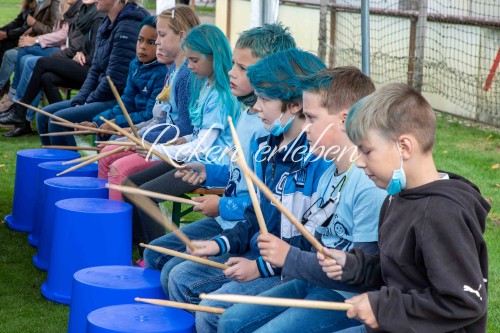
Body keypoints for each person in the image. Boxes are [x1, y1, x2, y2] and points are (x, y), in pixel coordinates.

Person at [167, 48, 328, 333]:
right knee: (179, 274)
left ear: (295, 104)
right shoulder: (268, 149)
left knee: (214, 311)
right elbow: (257, 217)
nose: (255, 108)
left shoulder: (319, 162)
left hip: (291, 270)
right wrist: (221, 244)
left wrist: (259, 269)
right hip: (262, 255)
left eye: (265, 99)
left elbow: (310, 246)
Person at [217, 67, 387, 333]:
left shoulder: (367, 185)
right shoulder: (329, 174)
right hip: (313, 280)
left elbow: (364, 276)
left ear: (344, 120)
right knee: (231, 320)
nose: (304, 128)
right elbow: (318, 243)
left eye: (311, 118)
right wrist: (280, 261)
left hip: (345, 296)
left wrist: (289, 258)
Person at [316, 83, 489, 332]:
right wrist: (353, 265)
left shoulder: (441, 214)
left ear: (404, 147)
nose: (360, 162)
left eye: (367, 151)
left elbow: (464, 302)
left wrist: (382, 308)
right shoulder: (395, 197)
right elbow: (396, 270)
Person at [143, 23, 296, 284]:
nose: (230, 71)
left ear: (273, 73)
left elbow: (265, 203)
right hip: (229, 221)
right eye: (234, 64)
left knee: (176, 275)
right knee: (154, 255)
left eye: (242, 68)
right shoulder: (248, 114)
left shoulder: (271, 128)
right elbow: (241, 173)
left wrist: (222, 204)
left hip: (244, 229)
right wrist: (209, 172)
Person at [123, 23, 239, 246]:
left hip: (208, 165)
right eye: (188, 59)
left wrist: (155, 149)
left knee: (143, 194)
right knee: (130, 184)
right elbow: (198, 136)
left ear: (214, 57)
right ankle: (141, 246)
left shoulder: (221, 96)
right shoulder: (205, 84)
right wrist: (182, 140)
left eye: (195, 60)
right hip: (192, 158)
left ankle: (158, 253)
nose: (189, 65)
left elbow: (203, 147)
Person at [97, 5, 199, 202]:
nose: (158, 42)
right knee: (108, 151)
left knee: (117, 167)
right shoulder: (173, 71)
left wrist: (142, 139)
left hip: (175, 151)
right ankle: (104, 218)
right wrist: (136, 132)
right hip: (159, 143)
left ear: (181, 36)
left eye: (161, 35)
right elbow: (163, 118)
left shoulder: (186, 74)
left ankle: (117, 228)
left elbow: (184, 127)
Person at [35, 0, 150, 146]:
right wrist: (80, 101)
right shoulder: (107, 22)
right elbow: (95, 69)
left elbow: (115, 81)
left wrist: (87, 102)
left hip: (117, 99)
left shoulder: (128, 26)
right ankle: (53, 166)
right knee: (43, 116)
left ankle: (70, 167)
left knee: (57, 120)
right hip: (102, 95)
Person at [1, 0, 105, 137]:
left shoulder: (95, 16)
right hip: (79, 60)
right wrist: (81, 53)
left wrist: (37, 38)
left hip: (87, 68)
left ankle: (19, 111)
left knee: (39, 62)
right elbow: (83, 47)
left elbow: (92, 54)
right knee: (46, 77)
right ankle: (63, 120)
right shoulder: (82, 12)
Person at [75, 15, 167, 141]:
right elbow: (126, 103)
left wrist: (115, 123)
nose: (143, 46)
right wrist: (96, 122)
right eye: (140, 40)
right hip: (132, 118)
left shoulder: (162, 73)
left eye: (151, 42)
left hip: (147, 127)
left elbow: (149, 115)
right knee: (101, 130)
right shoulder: (134, 64)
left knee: (112, 137)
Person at [0, 0, 61, 98]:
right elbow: (20, 22)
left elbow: (53, 31)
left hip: (45, 45)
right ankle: (9, 92)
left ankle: (13, 97)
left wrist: (34, 28)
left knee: (18, 56)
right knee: (9, 50)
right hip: (34, 41)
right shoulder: (38, 2)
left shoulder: (54, 3)